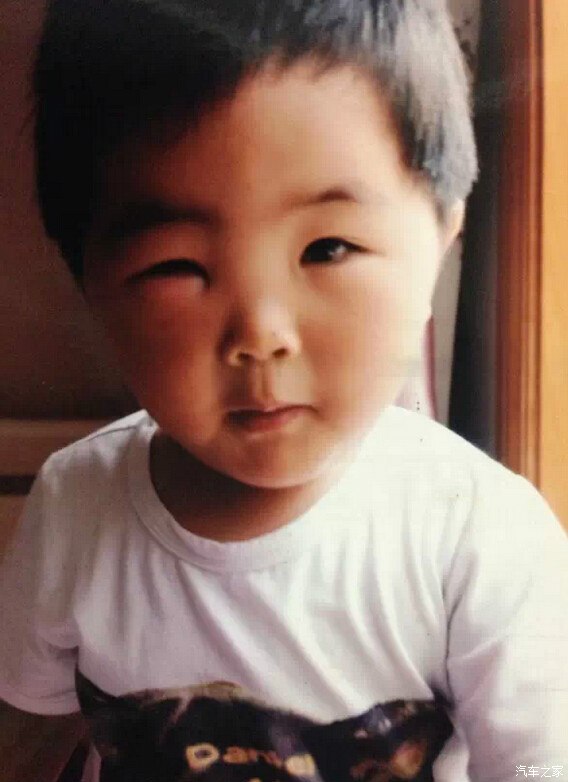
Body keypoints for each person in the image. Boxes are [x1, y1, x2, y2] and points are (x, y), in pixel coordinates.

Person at [1, 1, 567, 780]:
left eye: (328, 248)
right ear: (88, 281)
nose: (261, 334)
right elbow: (31, 730)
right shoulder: (77, 504)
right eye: (177, 266)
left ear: (441, 237)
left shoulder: (479, 536)